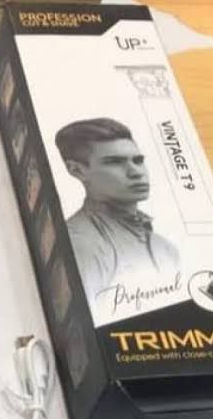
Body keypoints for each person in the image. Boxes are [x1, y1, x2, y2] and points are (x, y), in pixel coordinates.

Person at [55, 118, 179, 306]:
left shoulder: (165, 247)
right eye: (114, 162)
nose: (136, 172)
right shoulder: (81, 243)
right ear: (77, 170)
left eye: (138, 161)